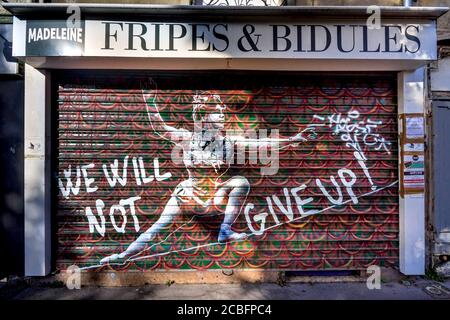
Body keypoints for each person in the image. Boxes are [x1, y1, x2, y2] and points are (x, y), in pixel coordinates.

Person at [100, 83, 315, 264]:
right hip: (188, 194)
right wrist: (150, 99)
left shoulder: (228, 142)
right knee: (158, 226)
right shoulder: (187, 138)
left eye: (222, 112)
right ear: (205, 115)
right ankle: (123, 255)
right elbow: (160, 127)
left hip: (214, 197)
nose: (223, 115)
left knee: (241, 182)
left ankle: (225, 230)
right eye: (218, 111)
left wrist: (292, 140)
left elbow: (261, 143)